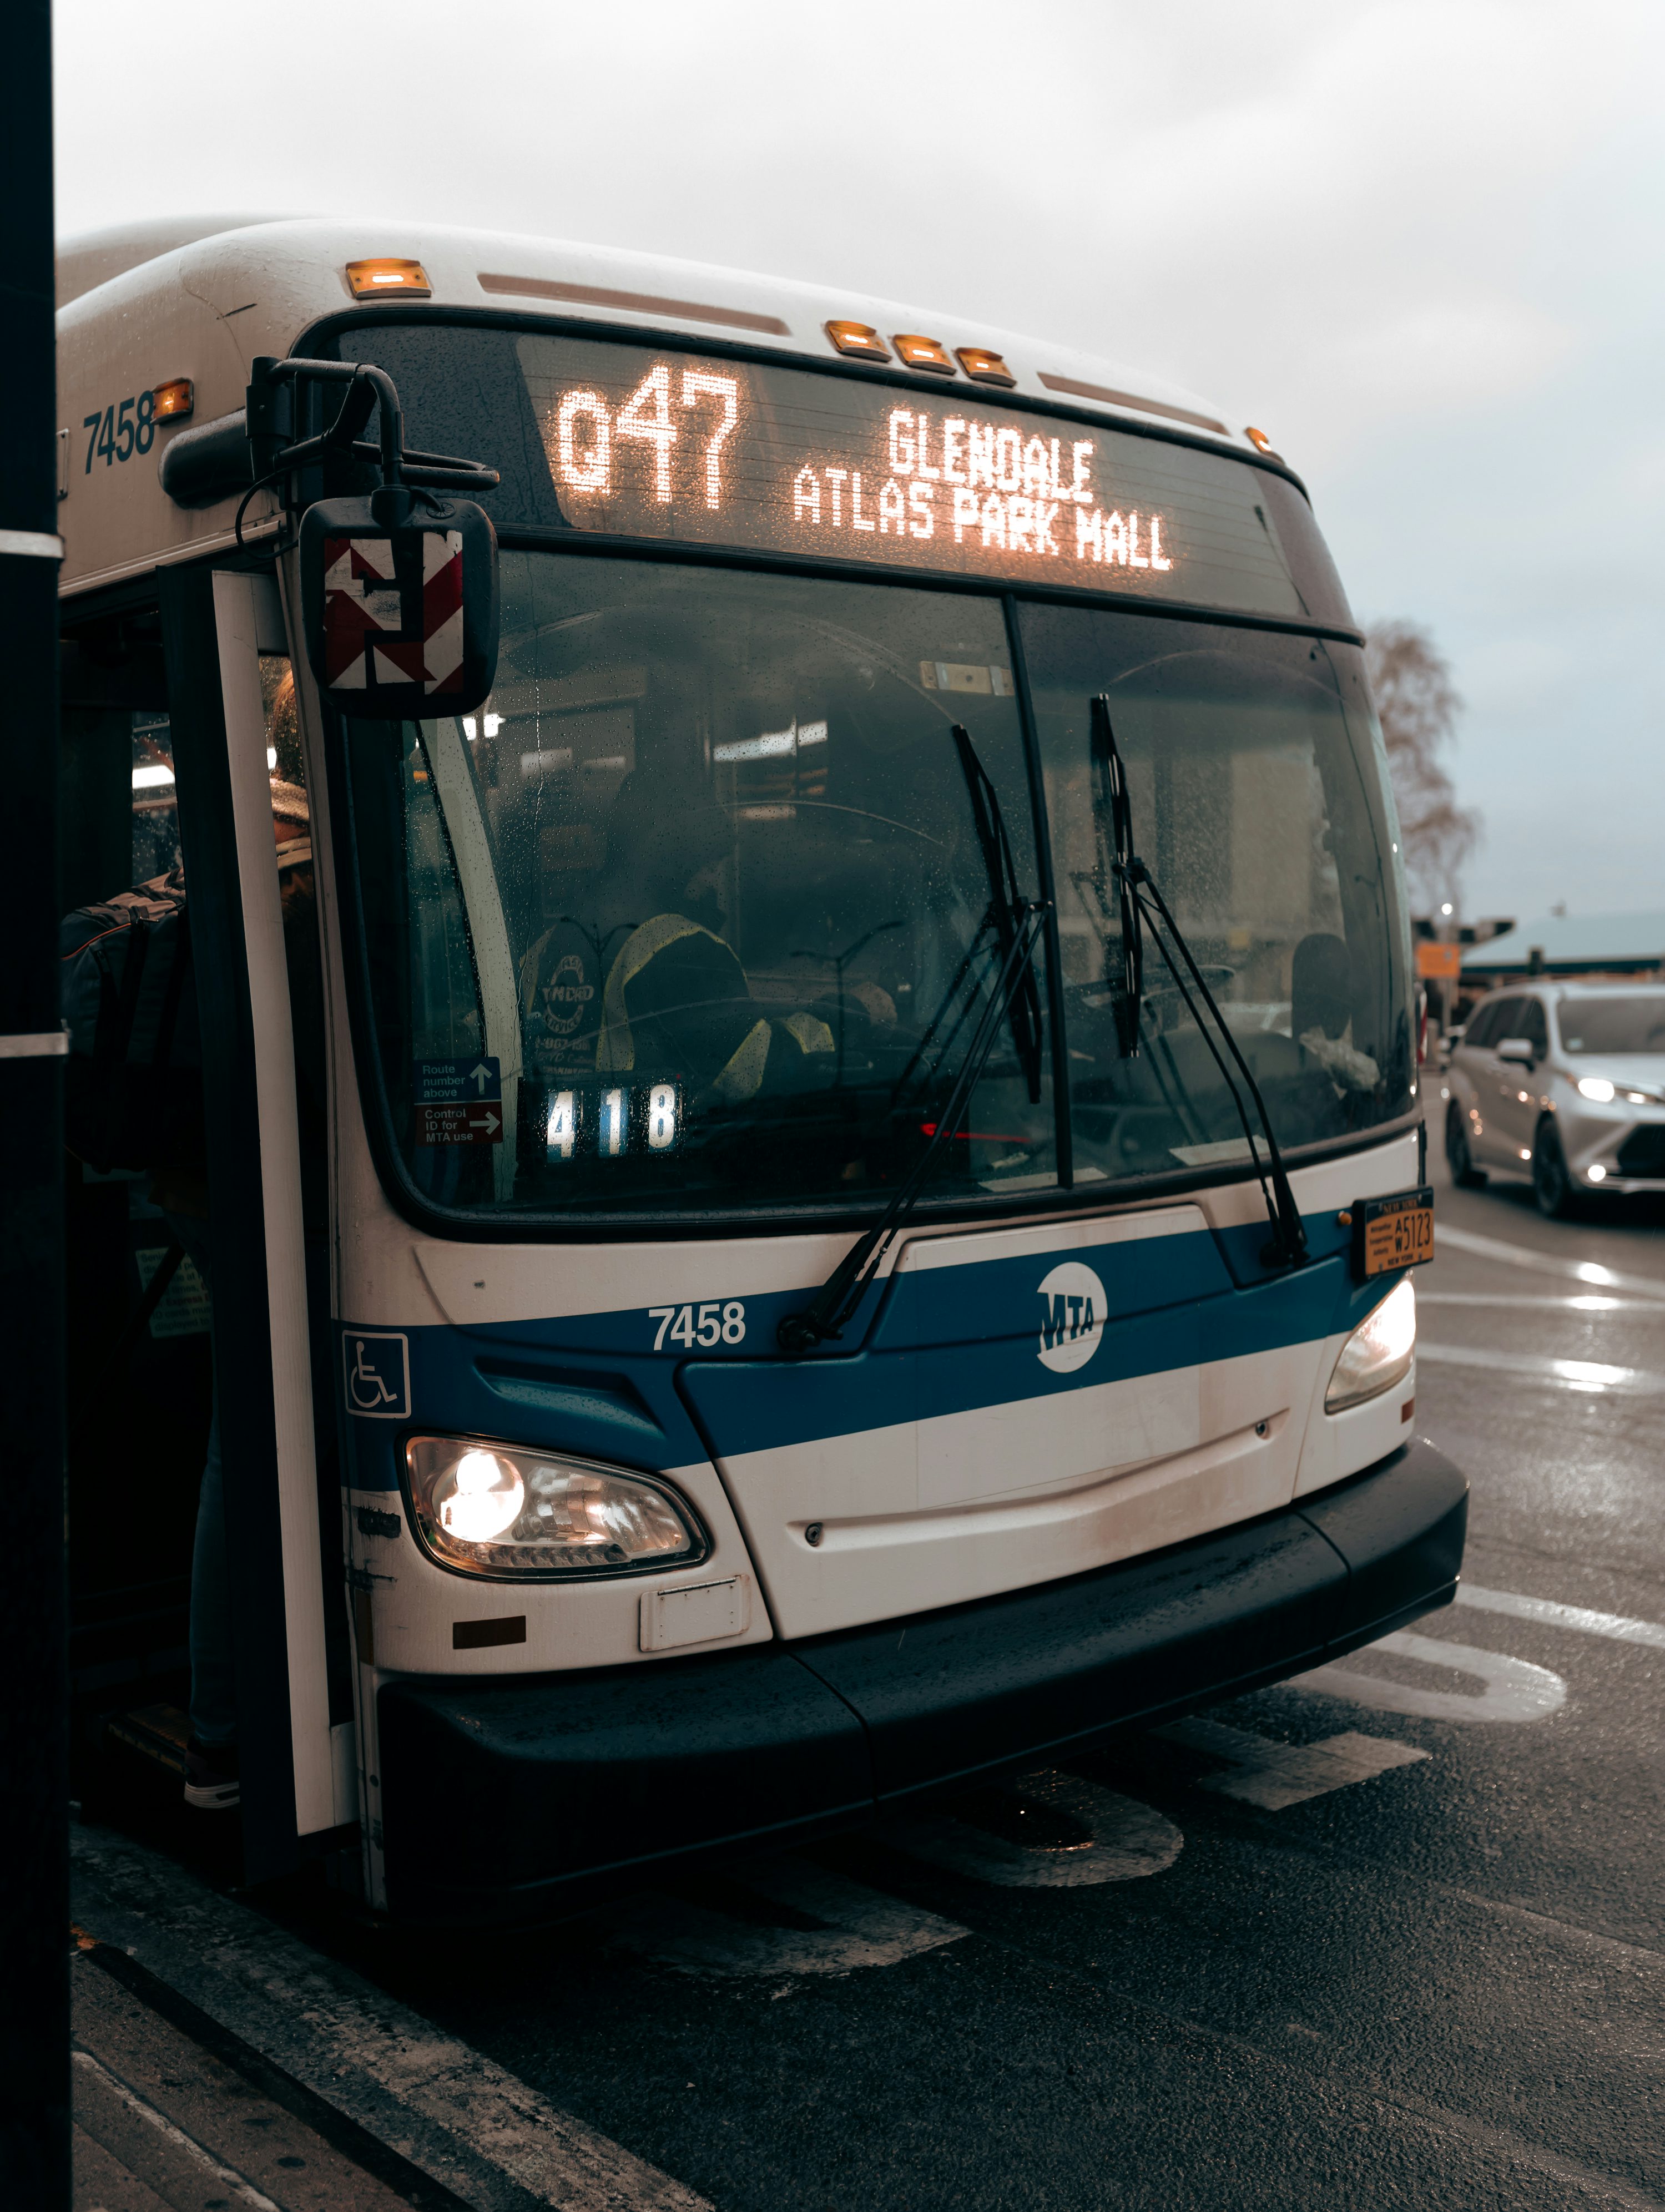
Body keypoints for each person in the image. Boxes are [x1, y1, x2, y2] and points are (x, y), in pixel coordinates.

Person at [155, 777, 321, 1810]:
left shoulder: (191, 917)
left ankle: (234, 1722)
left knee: (246, 1438)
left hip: (196, 1191)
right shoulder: (286, 934)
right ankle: (224, 1735)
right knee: (249, 1442)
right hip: (251, 1200)